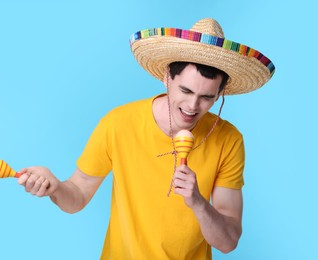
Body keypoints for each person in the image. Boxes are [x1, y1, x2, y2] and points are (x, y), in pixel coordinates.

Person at [17, 18, 275, 259]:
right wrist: (55, 188)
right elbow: (77, 196)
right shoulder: (119, 123)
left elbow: (228, 242)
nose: (192, 106)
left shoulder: (228, 139)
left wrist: (197, 202)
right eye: (185, 90)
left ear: (220, 94)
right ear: (166, 77)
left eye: (206, 97)